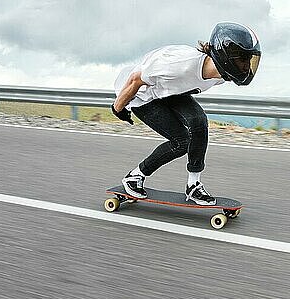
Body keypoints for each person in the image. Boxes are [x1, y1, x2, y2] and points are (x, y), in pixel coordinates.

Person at [111, 22, 261, 205]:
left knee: (199, 121)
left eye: (250, 61)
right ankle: (134, 177)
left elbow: (182, 86)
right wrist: (118, 108)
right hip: (142, 95)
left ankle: (193, 186)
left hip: (168, 91)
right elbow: (135, 79)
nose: (247, 67)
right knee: (181, 142)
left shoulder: (221, 77)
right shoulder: (179, 65)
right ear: (226, 56)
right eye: (243, 60)